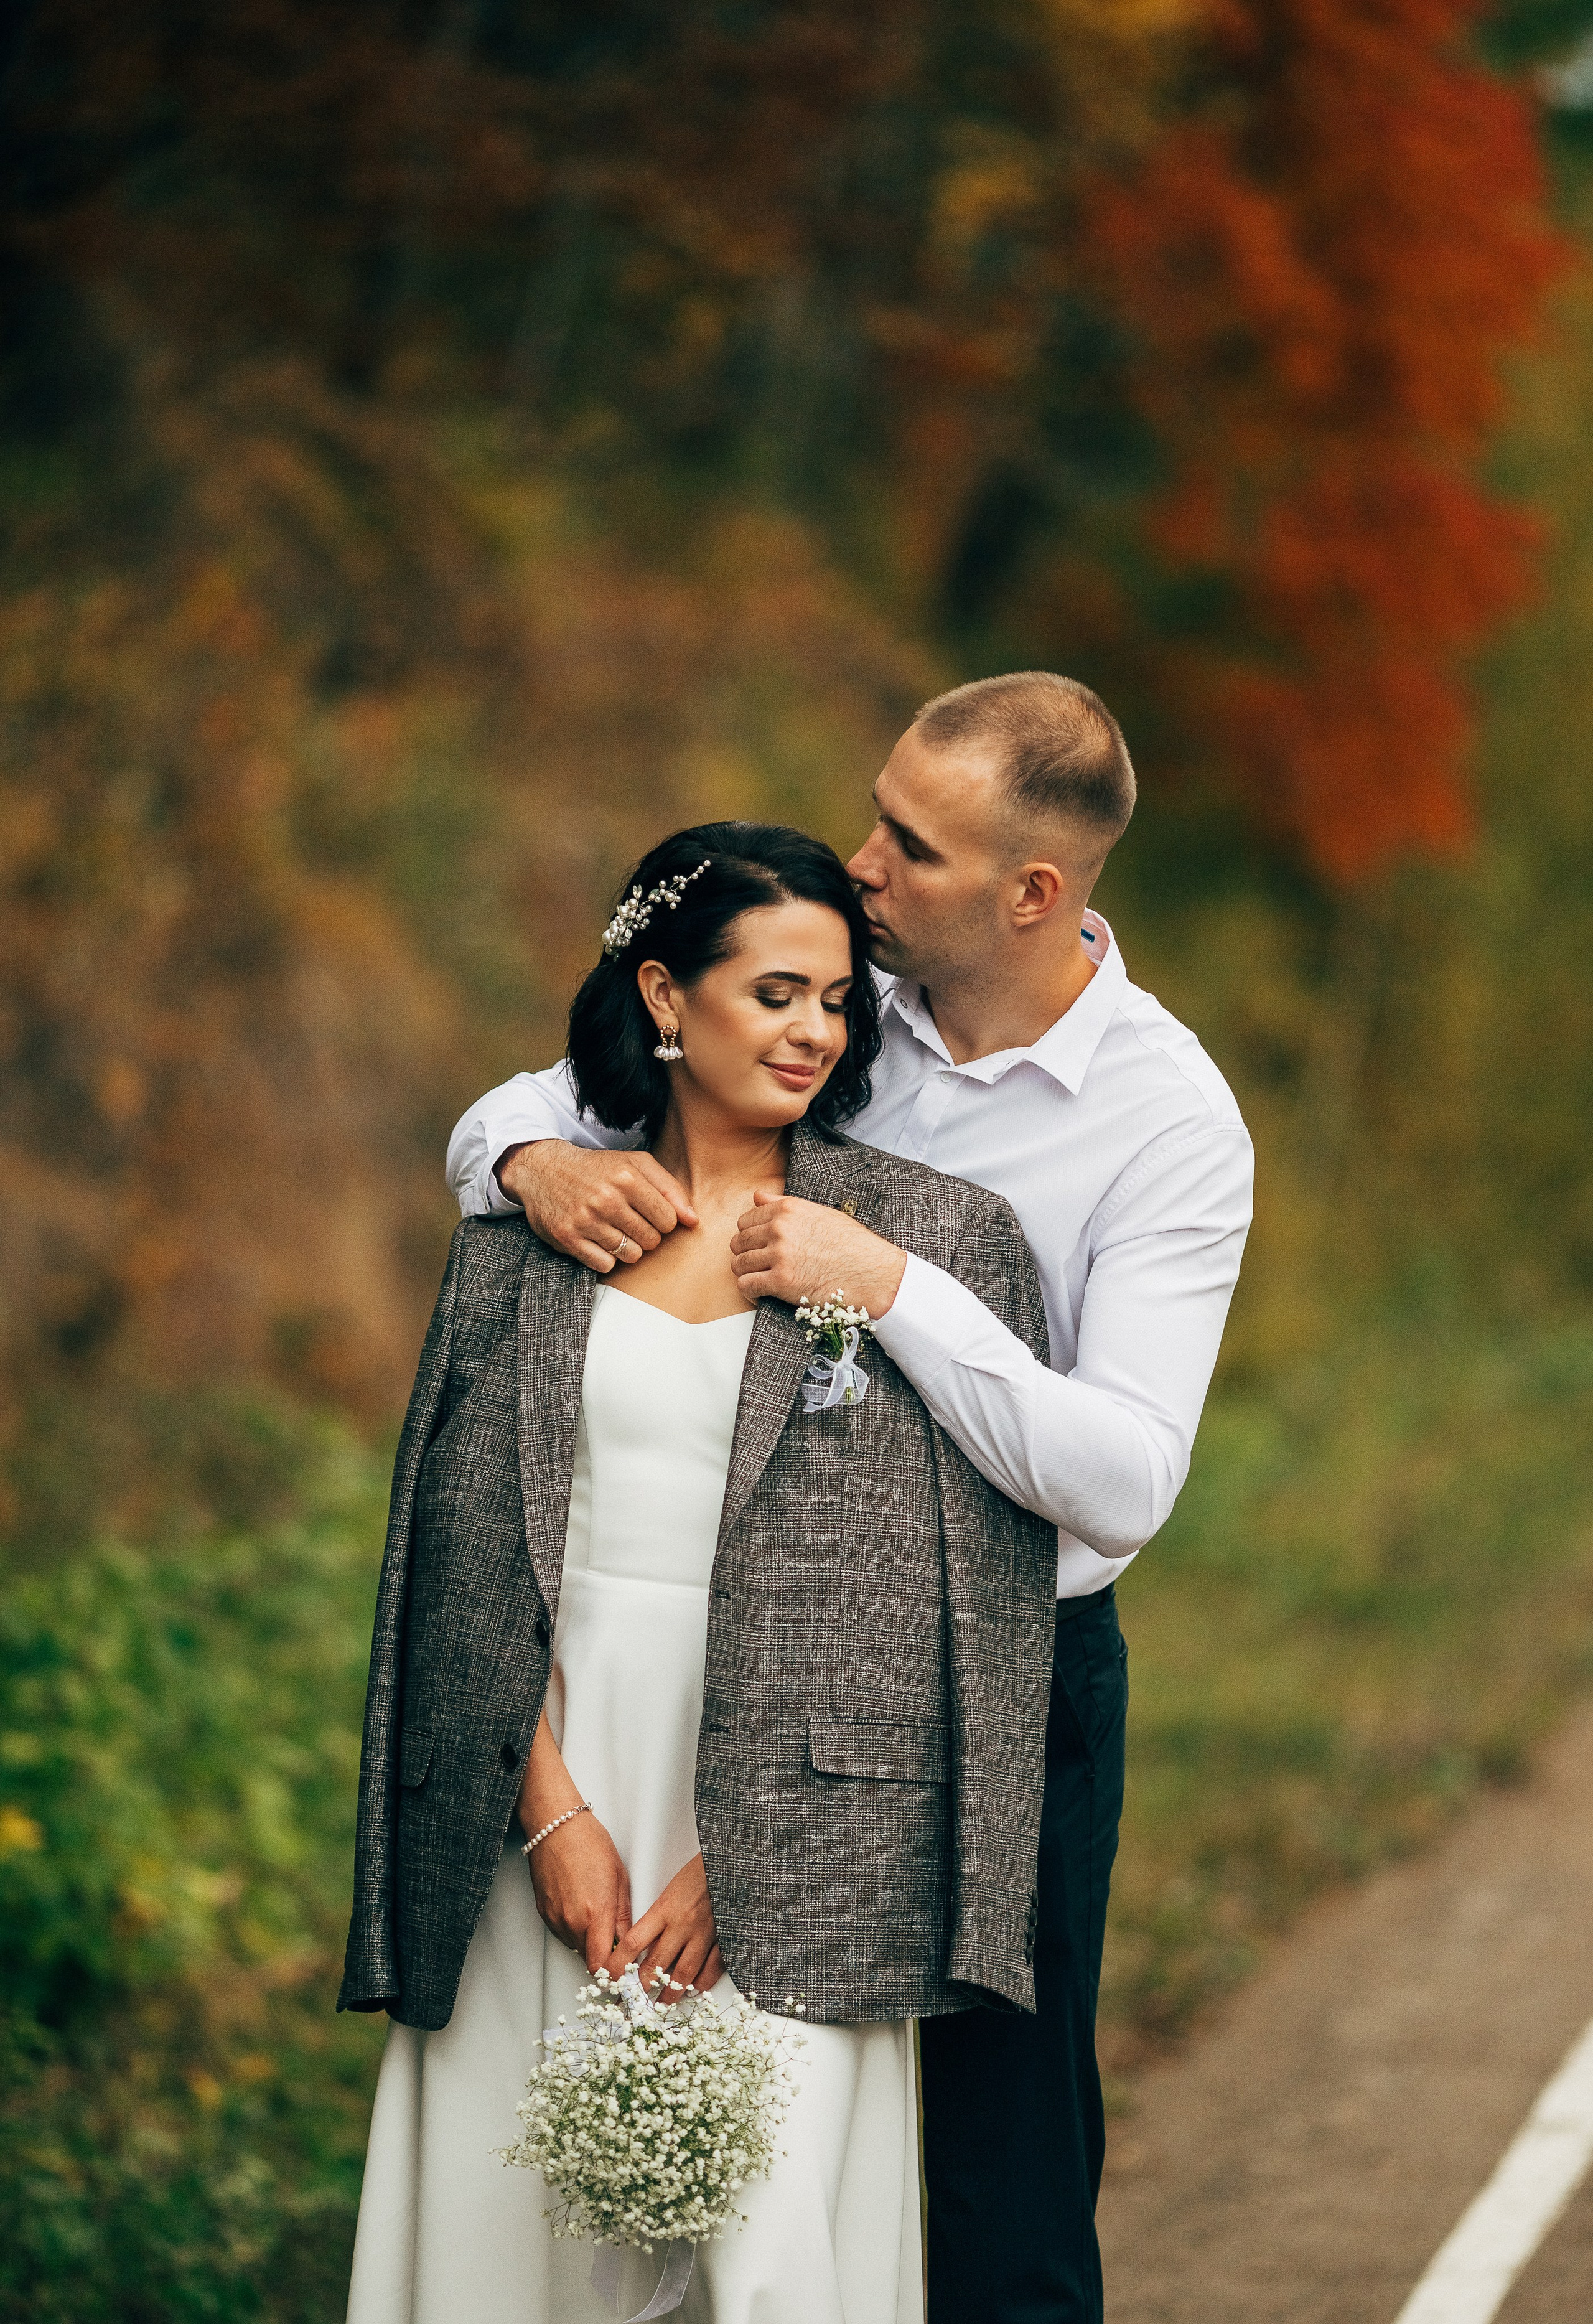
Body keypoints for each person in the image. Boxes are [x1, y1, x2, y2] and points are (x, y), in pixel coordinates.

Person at [447, 673, 1255, 2324]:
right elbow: (529, 1102)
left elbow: (1123, 1478)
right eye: (880, 811)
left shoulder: (1169, 1123)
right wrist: (531, 1166)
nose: (865, 861)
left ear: (1034, 893)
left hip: (999, 1674)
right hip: (735, 1645)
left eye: (913, 842)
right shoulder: (831, 1002)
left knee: (998, 2166)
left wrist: (892, 1286)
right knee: (780, 2145)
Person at [340, 822, 1061, 2324]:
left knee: (765, 2259)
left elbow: (956, 1612)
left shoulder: (933, 1241)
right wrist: (548, 1816)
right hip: (540, 1789)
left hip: (801, 1828)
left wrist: (762, 1850)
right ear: (665, 998)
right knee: (514, 2248)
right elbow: (450, 1568)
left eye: (837, 1001)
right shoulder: (520, 1243)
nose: (815, 1031)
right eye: (776, 994)